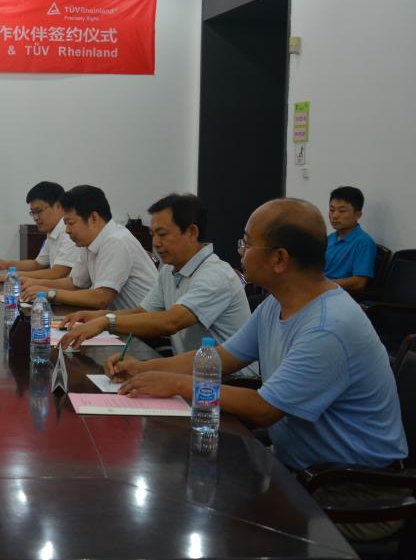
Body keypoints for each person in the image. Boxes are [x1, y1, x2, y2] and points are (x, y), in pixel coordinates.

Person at [109, 199, 406, 540]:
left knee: (208, 522)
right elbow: (220, 357)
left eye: (247, 243)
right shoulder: (276, 304)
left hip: (353, 491)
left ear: (279, 259)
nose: (240, 251)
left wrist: (176, 384)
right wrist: (143, 368)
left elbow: (265, 409)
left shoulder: (328, 326)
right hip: (300, 470)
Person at [58, 193, 252, 362]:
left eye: (162, 234)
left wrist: (107, 322)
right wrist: (96, 316)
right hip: (190, 370)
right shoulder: (169, 269)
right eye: (153, 234)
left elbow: (171, 322)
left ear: (192, 232)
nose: (156, 243)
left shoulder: (215, 274)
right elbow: (141, 312)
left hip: (228, 379)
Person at [21, 185, 156, 310]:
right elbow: (75, 283)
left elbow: (101, 298)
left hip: (145, 326)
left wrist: (50, 293)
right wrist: (36, 284)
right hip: (118, 321)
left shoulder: (116, 241)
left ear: (93, 218)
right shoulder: (88, 242)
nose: (67, 230)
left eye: (71, 223)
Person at [0, 181, 81, 283]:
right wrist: (6, 264)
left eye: (39, 211)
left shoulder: (68, 232)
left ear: (58, 206)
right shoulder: (52, 231)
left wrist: (11, 275)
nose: (35, 218)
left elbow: (57, 273)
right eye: (33, 212)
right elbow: (37, 264)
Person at [325, 186, 377, 292]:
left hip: (339, 294)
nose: (335, 216)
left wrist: (322, 285)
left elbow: (358, 283)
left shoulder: (363, 242)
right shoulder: (330, 238)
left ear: (357, 215)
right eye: (332, 210)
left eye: (342, 211)